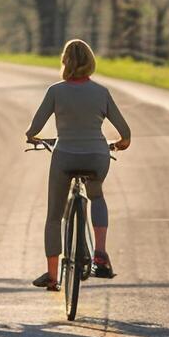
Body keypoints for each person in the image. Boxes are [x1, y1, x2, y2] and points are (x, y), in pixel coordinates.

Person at [24, 38, 132, 291]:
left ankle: (52, 276)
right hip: (97, 155)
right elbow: (125, 132)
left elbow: (33, 129)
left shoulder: (55, 91)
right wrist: (118, 144)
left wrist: (34, 137)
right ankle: (100, 253)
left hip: (65, 156)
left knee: (54, 215)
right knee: (97, 196)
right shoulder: (101, 92)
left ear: (65, 63)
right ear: (91, 62)